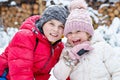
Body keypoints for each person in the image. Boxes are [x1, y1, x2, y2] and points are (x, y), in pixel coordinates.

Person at [52, 0, 120, 80]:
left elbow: (117, 71)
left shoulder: (102, 48)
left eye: (78, 31)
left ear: (88, 33)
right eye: (69, 33)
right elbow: (59, 76)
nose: (73, 35)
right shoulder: (68, 52)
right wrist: (71, 58)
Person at [0, 5, 69, 80]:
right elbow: (21, 71)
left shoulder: (58, 47)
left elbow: (67, 69)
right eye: (51, 24)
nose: (56, 29)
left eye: (61, 26)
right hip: (5, 76)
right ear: (43, 23)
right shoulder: (26, 36)